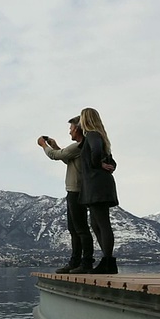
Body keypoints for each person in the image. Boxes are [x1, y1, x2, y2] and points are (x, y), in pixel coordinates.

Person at [38, 117, 95, 273]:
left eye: (70, 128)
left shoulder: (79, 146)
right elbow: (66, 158)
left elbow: (55, 156)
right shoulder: (80, 148)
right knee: (74, 228)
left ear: (77, 129)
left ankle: (85, 262)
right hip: (76, 191)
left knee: (80, 229)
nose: (69, 130)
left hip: (76, 191)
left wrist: (43, 145)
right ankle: (76, 262)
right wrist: (54, 145)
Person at [78, 107, 119, 274]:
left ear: (85, 119)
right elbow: (112, 161)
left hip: (97, 185)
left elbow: (96, 153)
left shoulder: (93, 135)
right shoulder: (100, 137)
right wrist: (107, 165)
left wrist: (99, 164)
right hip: (99, 184)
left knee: (102, 223)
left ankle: (108, 261)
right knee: (96, 223)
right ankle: (107, 260)